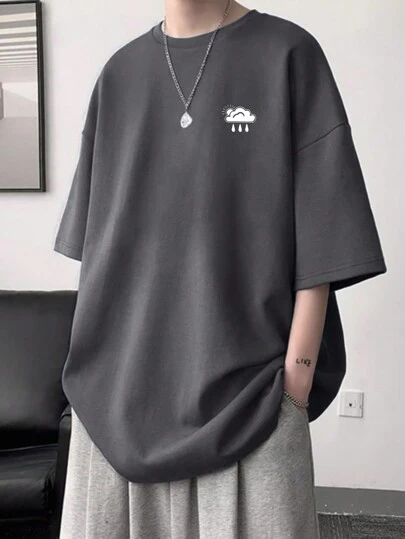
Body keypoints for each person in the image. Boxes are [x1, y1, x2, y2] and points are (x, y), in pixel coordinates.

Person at [54, 1, 387, 537]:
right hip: (113, 410)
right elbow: (100, 253)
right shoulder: (119, 75)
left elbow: (325, 237)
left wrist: (295, 382)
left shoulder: (288, 55)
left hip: (252, 404)